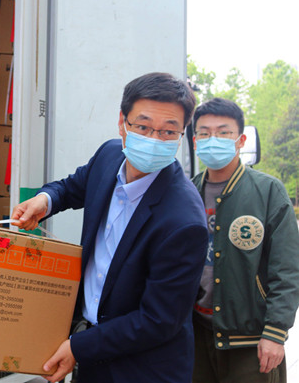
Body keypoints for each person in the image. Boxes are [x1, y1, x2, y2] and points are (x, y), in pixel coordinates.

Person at [11, 72, 209, 383]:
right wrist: (44, 200)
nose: (154, 139)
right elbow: (72, 187)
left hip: (144, 369)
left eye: (168, 132)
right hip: (92, 353)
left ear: (182, 135)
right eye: (143, 127)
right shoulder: (109, 156)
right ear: (122, 122)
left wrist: (79, 346)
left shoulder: (184, 222)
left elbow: (157, 320)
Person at [191, 98, 299, 383]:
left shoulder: (268, 191)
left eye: (223, 132)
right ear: (195, 141)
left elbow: (287, 269)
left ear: (240, 140)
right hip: (196, 334)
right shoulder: (188, 191)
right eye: (205, 133)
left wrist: (275, 332)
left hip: (251, 340)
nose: (213, 140)